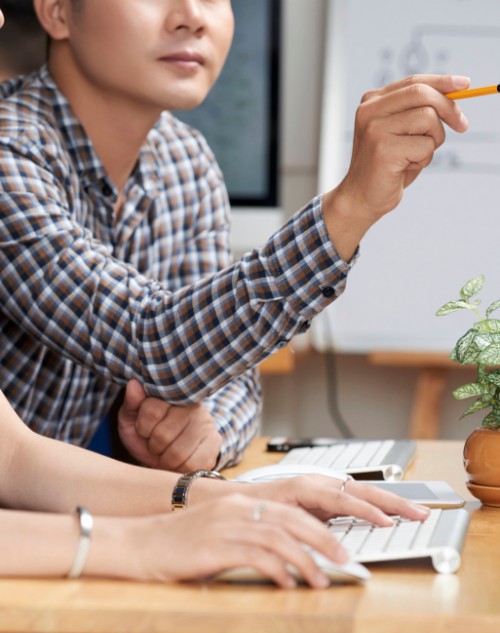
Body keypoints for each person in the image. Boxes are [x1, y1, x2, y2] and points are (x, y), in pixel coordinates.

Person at [0, 0, 471, 473]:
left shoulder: (185, 159)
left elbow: (231, 380)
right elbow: (152, 340)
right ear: (57, 11)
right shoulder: (8, 155)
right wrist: (350, 207)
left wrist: (207, 436)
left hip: (76, 516)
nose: (192, 15)